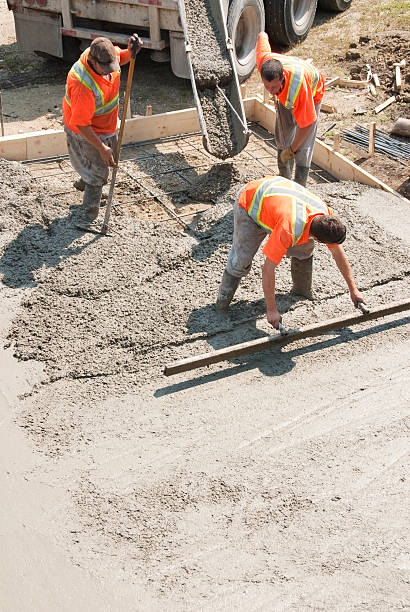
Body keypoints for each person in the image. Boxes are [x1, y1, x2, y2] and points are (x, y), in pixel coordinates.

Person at [215, 176, 365, 329]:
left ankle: (301, 291)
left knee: (305, 248)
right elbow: (268, 269)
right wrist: (272, 310)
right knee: (241, 260)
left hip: (277, 200)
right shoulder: (288, 229)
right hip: (250, 203)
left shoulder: (325, 214)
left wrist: (353, 289)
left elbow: (338, 254)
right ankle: (221, 306)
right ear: (319, 239)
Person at [63, 34, 142, 225]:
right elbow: (82, 124)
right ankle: (88, 216)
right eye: (104, 68)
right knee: (99, 172)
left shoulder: (105, 53)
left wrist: (131, 52)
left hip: (106, 125)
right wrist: (101, 147)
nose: (109, 71)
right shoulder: (82, 84)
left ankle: (86, 178)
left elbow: (121, 57)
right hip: (83, 131)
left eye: (111, 66)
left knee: (110, 159)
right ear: (92, 60)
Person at [256, 31, 325, 187]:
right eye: (266, 86)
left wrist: (292, 149)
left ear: (282, 78)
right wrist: (263, 34)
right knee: (282, 135)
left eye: (273, 86)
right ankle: (285, 179)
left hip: (312, 92)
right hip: (286, 94)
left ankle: (300, 185)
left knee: (303, 147)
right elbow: (262, 41)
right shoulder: (264, 62)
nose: (269, 90)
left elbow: (306, 125)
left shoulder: (299, 89)